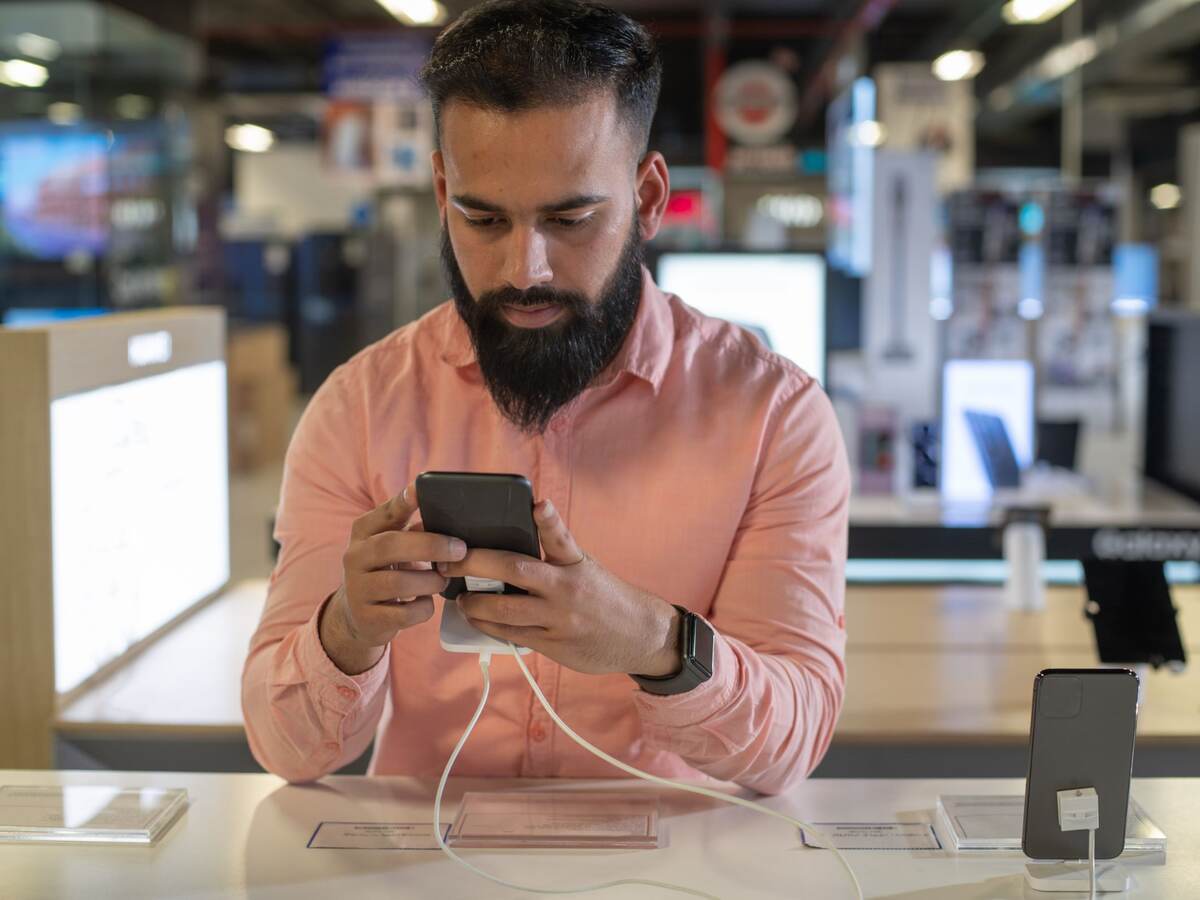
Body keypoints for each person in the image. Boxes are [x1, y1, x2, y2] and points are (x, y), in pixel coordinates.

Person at [241, 0, 850, 795]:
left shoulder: (774, 418)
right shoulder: (360, 407)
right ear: (439, 192)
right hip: (426, 866)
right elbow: (289, 752)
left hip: (669, 872)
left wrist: (652, 643)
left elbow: (791, 745)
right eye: (482, 218)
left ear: (650, 197)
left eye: (569, 219)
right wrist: (347, 632)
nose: (524, 268)